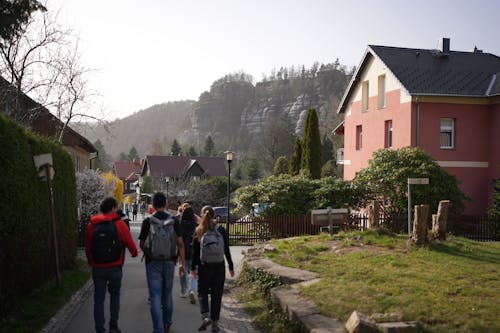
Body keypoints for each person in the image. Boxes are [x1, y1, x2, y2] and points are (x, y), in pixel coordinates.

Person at [85, 197, 138, 333]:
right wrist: (134, 253)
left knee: (99, 299)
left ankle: (99, 328)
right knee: (115, 296)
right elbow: (129, 242)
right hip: (115, 266)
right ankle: (113, 326)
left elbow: (88, 247)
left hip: (98, 268)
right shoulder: (119, 224)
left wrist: (92, 262)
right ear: (114, 208)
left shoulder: (92, 224)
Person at [139, 192, 186, 333]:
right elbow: (181, 243)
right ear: (165, 204)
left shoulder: (148, 221)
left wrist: (148, 253)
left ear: (153, 205)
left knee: (155, 297)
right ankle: (167, 325)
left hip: (152, 263)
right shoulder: (174, 221)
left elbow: (141, 243)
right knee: (167, 295)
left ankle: (157, 329)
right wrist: (183, 264)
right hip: (169, 263)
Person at [191, 205, 234, 332]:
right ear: (214, 215)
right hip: (219, 267)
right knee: (217, 295)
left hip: (205, 267)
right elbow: (226, 250)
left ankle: (205, 315)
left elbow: (195, 253)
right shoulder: (221, 230)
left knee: (202, 292)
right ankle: (215, 324)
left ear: (202, 214)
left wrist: (193, 268)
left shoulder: (199, 230)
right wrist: (231, 266)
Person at [179, 204, 198, 303]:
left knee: (182, 270)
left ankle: (183, 291)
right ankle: (192, 290)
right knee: (193, 272)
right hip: (193, 252)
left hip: (182, 252)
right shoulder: (196, 226)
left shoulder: (180, 225)